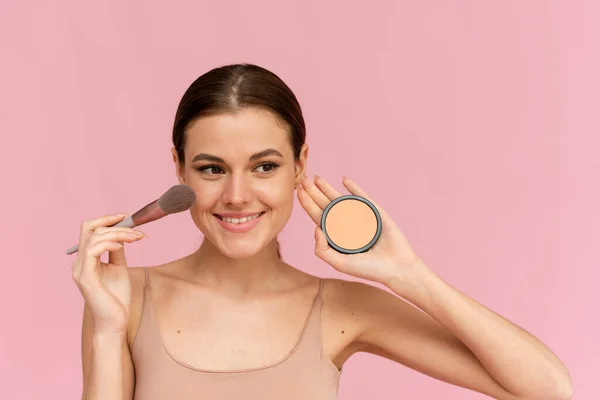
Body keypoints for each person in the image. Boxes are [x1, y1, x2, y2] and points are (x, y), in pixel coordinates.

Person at [72, 63, 572, 400]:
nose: (238, 196)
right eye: (211, 169)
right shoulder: (123, 298)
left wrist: (409, 274)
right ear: (179, 169)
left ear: (299, 165)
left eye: (264, 166)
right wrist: (108, 330)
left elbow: (549, 389)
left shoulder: (342, 307)